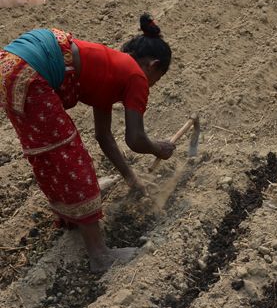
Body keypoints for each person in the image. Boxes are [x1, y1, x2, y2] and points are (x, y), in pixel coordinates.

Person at [0, 14, 176, 272]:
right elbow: (136, 140)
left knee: (47, 153)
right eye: (156, 79)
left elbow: (103, 135)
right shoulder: (136, 75)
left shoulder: (112, 71)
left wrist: (131, 177)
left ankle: (70, 217)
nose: (151, 85)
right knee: (70, 157)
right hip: (32, 70)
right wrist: (160, 148)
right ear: (153, 65)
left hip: (10, 65)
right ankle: (100, 255)